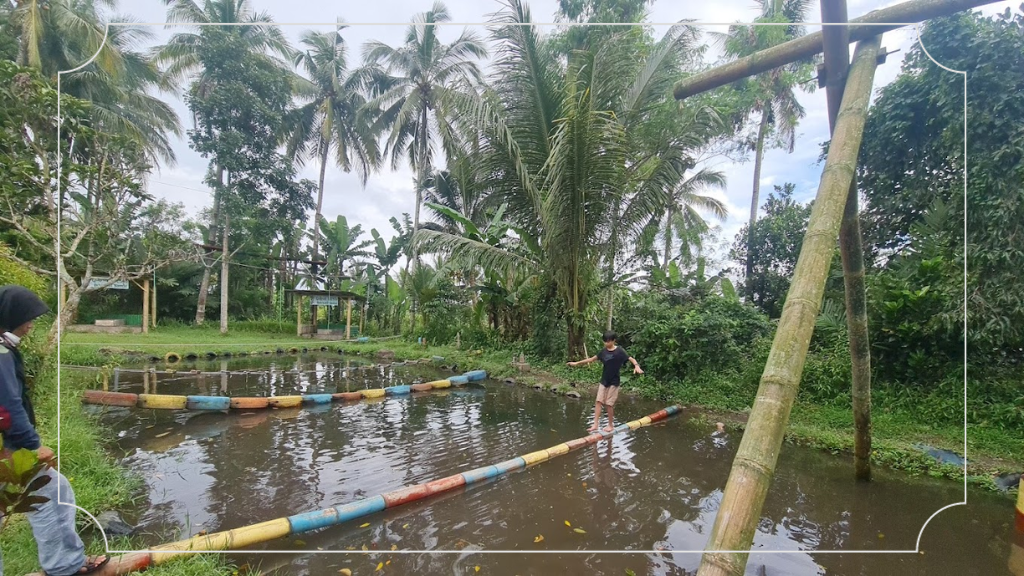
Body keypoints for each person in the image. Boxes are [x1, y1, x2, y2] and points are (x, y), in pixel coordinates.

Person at [0, 285, 109, 575]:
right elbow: (8, 406)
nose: (31, 324)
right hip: (7, 449)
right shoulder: (1, 352)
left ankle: (66, 563)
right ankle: (65, 565)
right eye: (28, 318)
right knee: (50, 490)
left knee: (53, 487)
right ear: (12, 317)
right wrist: (33, 445)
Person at [567, 331, 643, 432]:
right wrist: (576, 363)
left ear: (614, 341)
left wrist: (636, 366)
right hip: (604, 380)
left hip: (614, 381)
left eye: (608, 341)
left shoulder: (619, 351)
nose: (606, 343)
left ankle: (610, 425)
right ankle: (595, 425)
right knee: (598, 401)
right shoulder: (603, 352)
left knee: (609, 404)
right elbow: (591, 359)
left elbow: (630, 359)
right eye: (605, 341)